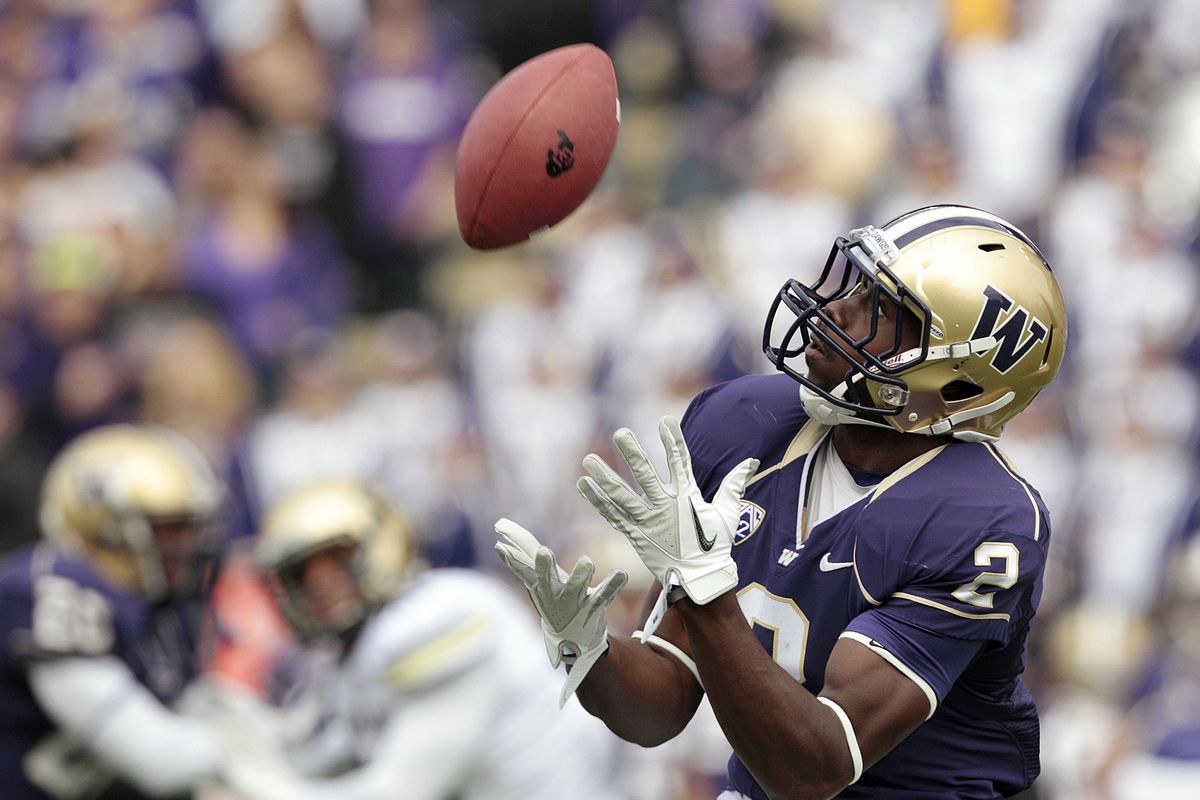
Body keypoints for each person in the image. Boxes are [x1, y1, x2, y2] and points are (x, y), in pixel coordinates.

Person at [496, 205, 1068, 799]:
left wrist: (707, 591)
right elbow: (661, 705)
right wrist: (588, 649)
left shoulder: (981, 520)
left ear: (958, 376)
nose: (834, 312)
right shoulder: (745, 424)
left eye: (878, 310)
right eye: (852, 285)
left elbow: (814, 767)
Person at [225, 479, 620, 800]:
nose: (319, 584)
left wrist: (253, 789)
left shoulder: (441, 618)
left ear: (380, 545)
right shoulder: (364, 645)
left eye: (335, 559)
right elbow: (319, 751)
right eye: (301, 573)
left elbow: (397, 791)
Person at [0, 424, 229, 799]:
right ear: (104, 527)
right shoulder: (53, 589)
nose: (188, 545)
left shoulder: (157, 603)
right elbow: (160, 760)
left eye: (190, 528)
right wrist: (256, 757)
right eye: (169, 529)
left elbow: (196, 713)